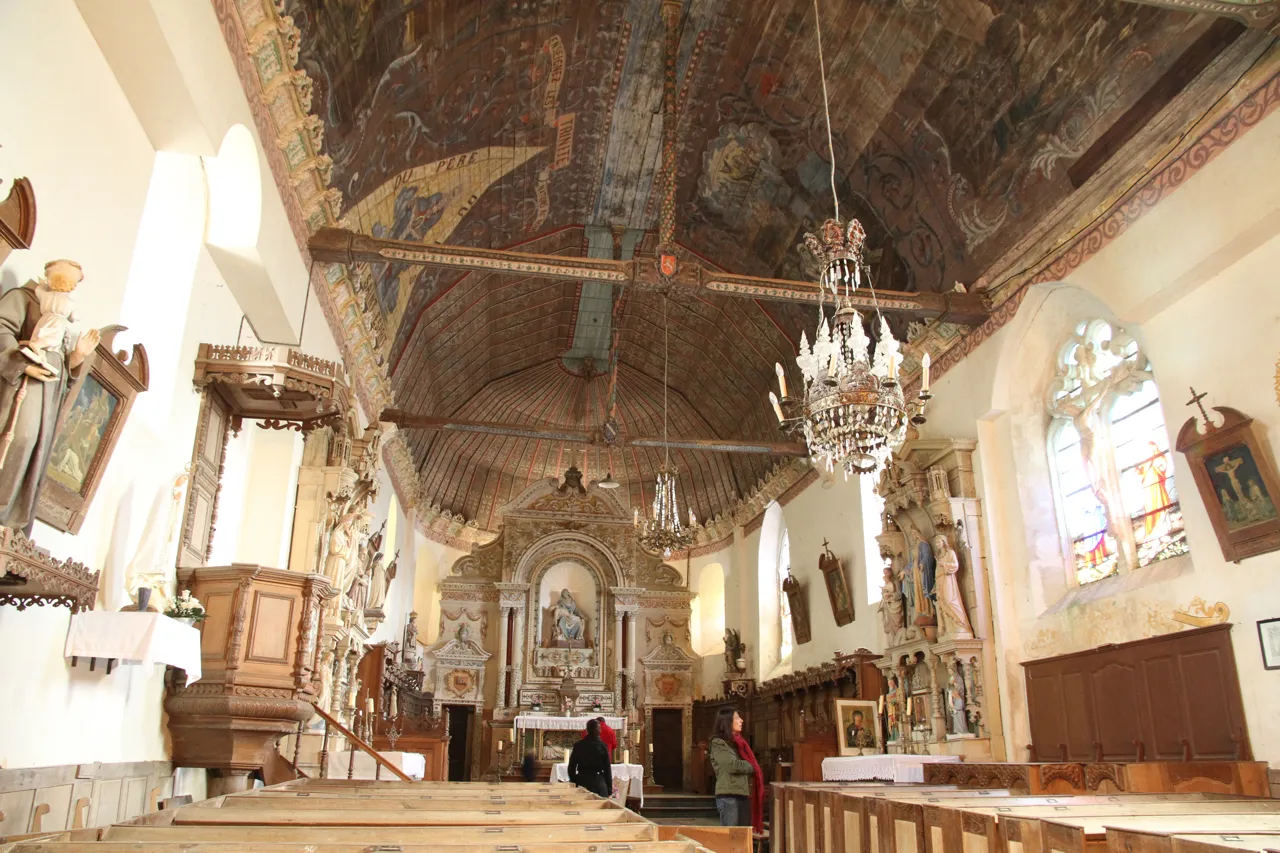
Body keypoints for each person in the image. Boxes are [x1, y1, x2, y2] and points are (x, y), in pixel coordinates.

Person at [708, 707, 764, 835]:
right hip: (728, 796)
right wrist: (752, 766)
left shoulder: (737, 742)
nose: (741, 721)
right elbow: (732, 765)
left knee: (743, 837)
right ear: (727, 721)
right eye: (738, 718)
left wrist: (750, 765)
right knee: (731, 837)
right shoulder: (718, 743)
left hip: (741, 794)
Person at [567, 718, 612, 797]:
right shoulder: (602, 746)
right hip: (598, 783)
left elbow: (571, 766)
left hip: (582, 781)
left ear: (587, 730)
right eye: (599, 728)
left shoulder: (579, 745)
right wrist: (609, 788)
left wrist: (574, 781)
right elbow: (607, 769)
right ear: (598, 731)